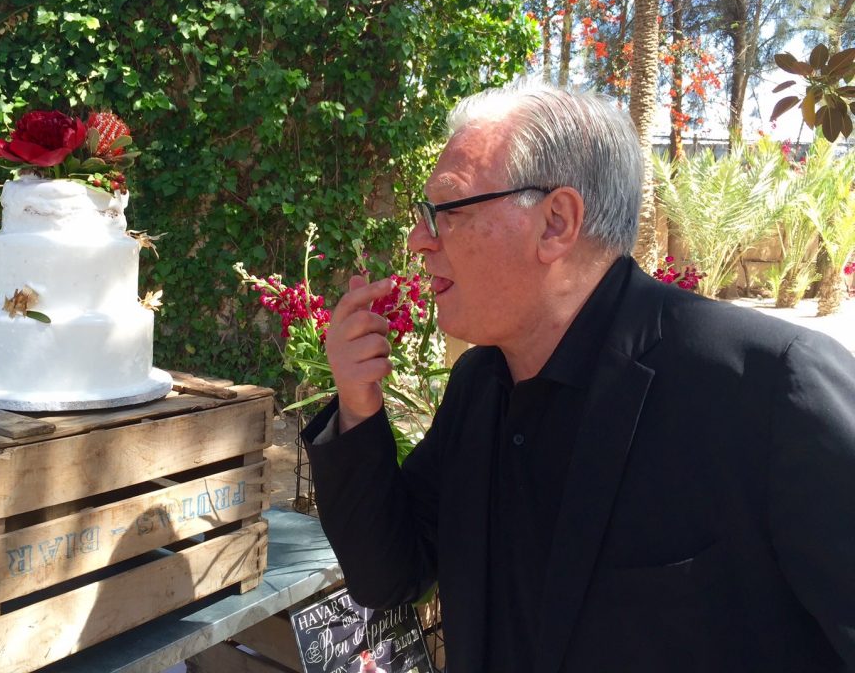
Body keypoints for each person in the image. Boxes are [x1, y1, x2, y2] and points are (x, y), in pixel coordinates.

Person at [302, 83, 855, 673]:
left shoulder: (768, 391)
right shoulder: (477, 388)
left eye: (448, 210)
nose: (419, 240)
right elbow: (392, 575)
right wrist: (358, 408)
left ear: (556, 223)